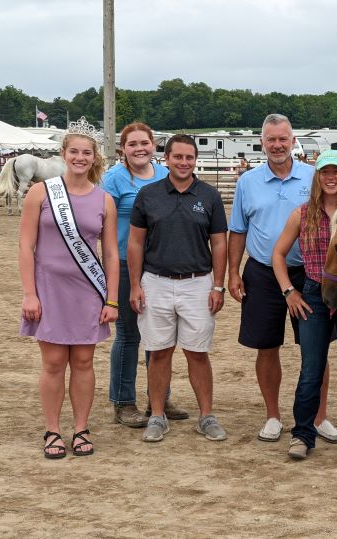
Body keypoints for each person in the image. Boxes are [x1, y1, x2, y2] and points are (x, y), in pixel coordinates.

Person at [228, 113, 337, 444]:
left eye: (283, 139)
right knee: (267, 346)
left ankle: (319, 417)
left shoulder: (314, 177)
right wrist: (233, 272)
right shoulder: (246, 182)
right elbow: (238, 229)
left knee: (317, 348)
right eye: (271, 139)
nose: (277, 145)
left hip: (309, 274)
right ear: (262, 143)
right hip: (263, 272)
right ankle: (273, 416)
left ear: (293, 142)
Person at [19, 117, 119, 459]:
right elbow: (25, 247)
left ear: (94, 157)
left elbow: (110, 254)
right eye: (74, 151)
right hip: (48, 291)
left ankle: (80, 428)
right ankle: (52, 430)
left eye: (86, 152)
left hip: (88, 291)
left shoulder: (104, 200)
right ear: (64, 153)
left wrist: (112, 299)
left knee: (84, 361)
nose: (80, 157)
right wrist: (30, 293)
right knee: (52, 363)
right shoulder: (40, 192)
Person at [272, 150, 337, 466]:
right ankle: (303, 435)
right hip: (315, 292)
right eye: (325, 172)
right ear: (317, 177)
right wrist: (289, 291)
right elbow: (278, 255)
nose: (331, 178)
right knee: (310, 370)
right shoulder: (302, 214)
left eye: (336, 172)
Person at [128, 134, 228, 443]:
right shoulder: (148, 195)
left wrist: (218, 286)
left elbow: (220, 243)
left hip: (198, 284)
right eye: (178, 157)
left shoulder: (209, 195)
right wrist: (134, 285)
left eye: (189, 157)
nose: (184, 163)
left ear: (195, 160)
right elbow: (135, 242)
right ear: (166, 158)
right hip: (155, 282)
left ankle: (206, 416)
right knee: (158, 352)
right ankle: (157, 415)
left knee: (198, 353)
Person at [102, 122, 188, 428]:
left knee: (160, 335)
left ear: (154, 146)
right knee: (128, 334)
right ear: (123, 149)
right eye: (132, 143)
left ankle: (159, 398)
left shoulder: (165, 176)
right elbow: (101, 220)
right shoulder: (114, 179)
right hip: (125, 263)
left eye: (145, 143)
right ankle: (123, 401)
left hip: (158, 264)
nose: (139, 148)